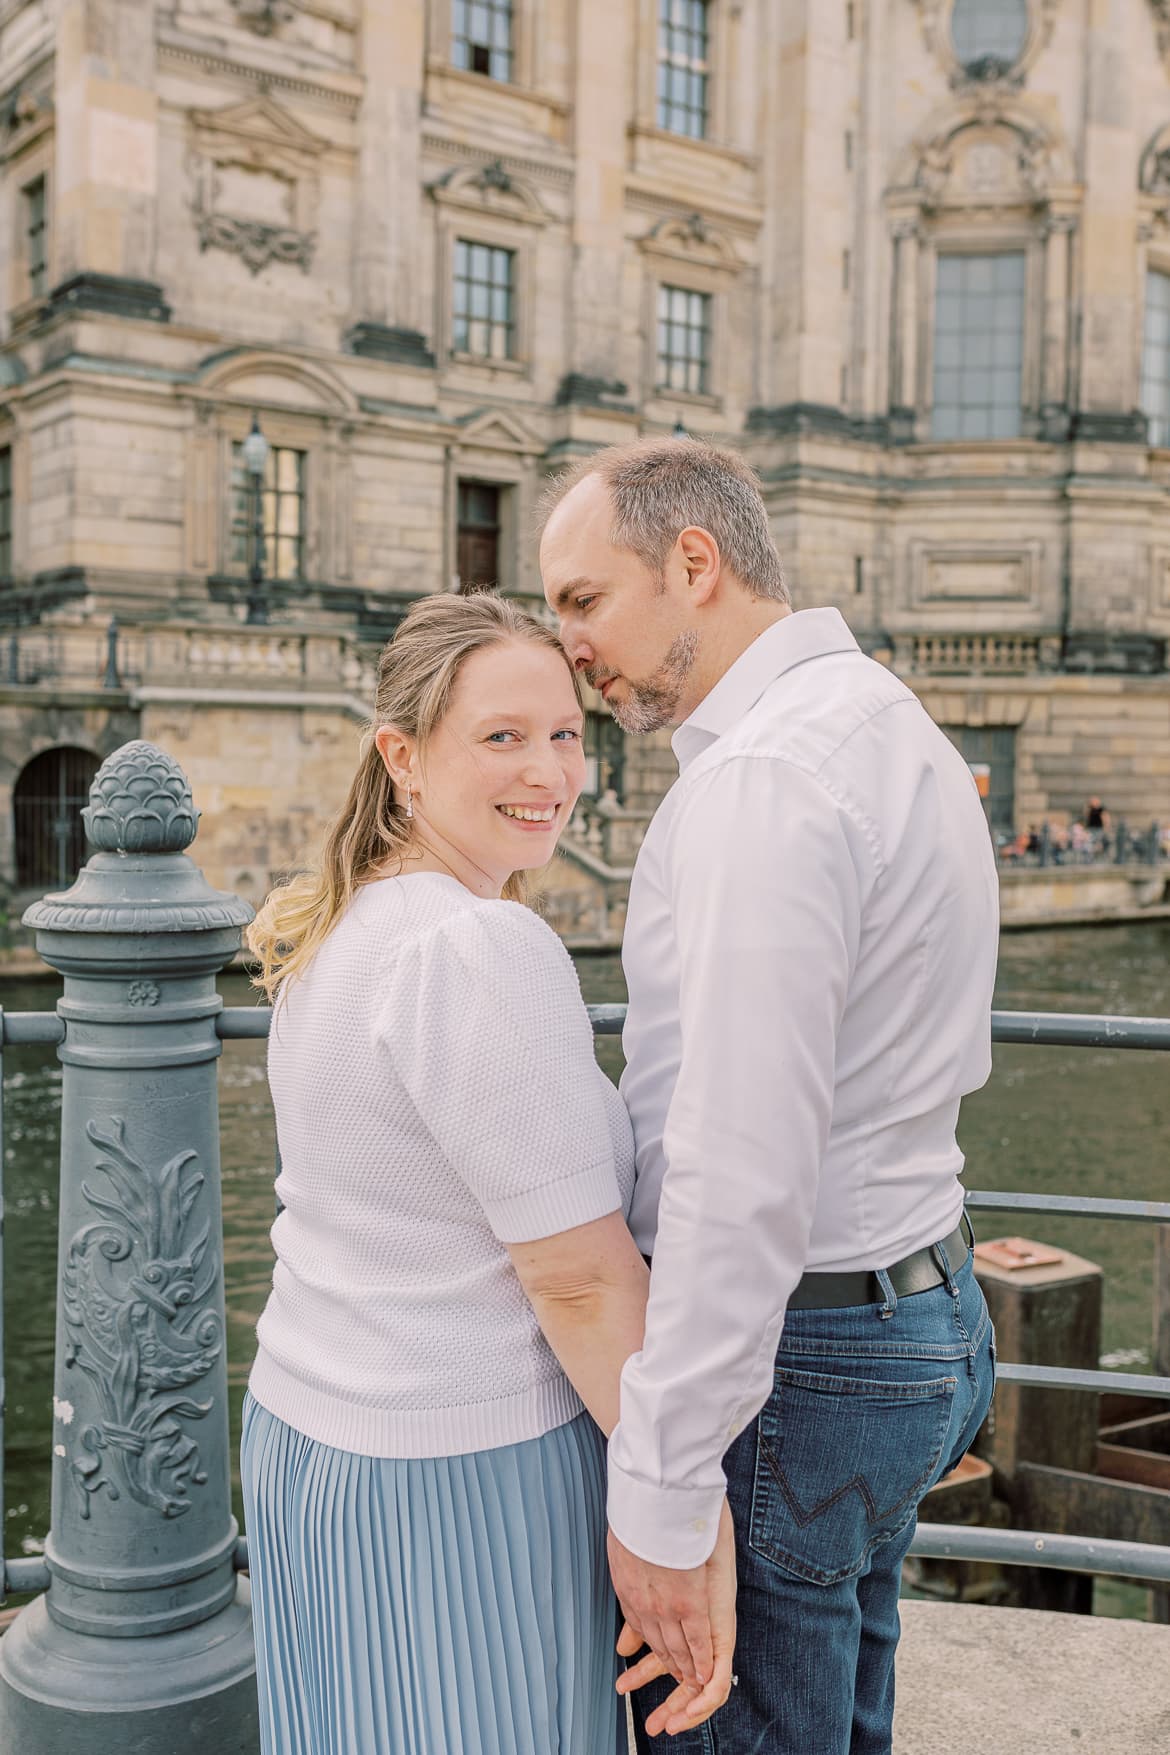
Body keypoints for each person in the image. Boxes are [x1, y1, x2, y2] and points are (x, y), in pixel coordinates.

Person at [539, 438, 1000, 1755]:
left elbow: (738, 1169)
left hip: (806, 1359)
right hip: (919, 1305)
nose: (569, 641)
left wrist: (666, 1489)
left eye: (583, 598)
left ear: (694, 562)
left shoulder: (761, 779)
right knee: (843, 1709)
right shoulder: (884, 720)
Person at [241, 590, 732, 1754]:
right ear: (403, 757)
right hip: (460, 1463)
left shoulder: (337, 929)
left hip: (307, 1437)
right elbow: (577, 1280)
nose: (551, 772)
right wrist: (686, 1519)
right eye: (502, 738)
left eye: (565, 733)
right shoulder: (476, 946)